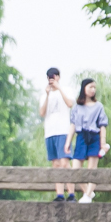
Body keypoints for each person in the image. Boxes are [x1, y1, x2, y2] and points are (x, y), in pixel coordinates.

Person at [68, 78, 109, 203]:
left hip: (94, 137)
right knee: (75, 169)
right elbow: (73, 125)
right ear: (84, 88)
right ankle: (88, 192)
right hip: (81, 137)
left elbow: (102, 125)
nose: (93, 90)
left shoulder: (98, 106)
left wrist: (102, 143)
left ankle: (87, 196)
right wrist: (68, 142)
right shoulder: (77, 107)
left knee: (92, 169)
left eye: (94, 87)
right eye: (90, 87)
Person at [38, 68, 74, 200]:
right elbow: (42, 113)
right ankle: (59, 193)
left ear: (58, 77)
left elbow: (70, 104)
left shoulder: (66, 90)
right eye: (49, 77)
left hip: (63, 131)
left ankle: (71, 192)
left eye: (53, 76)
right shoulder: (44, 95)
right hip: (50, 132)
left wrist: (59, 89)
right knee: (56, 164)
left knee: (65, 162)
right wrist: (47, 95)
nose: (51, 79)